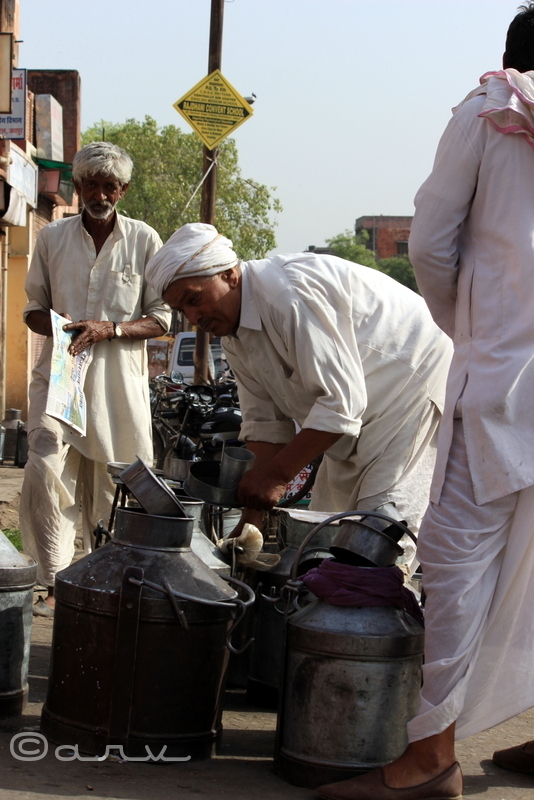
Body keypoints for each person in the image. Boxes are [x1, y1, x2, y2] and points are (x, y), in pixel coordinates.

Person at [315, 6, 534, 800]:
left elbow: (432, 242)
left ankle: (428, 760)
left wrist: (466, 330)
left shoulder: (490, 111)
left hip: (501, 384)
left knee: (457, 565)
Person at [145, 222, 452, 567]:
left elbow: (341, 405)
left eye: (194, 299)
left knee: (376, 538)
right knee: (323, 536)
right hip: (354, 418)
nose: (194, 316)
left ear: (230, 274)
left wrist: (276, 478)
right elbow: (266, 428)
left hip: (410, 385)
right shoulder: (234, 339)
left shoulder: (286, 296)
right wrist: (250, 524)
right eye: (182, 310)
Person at [21, 141, 171, 616]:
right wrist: (65, 326)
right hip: (61, 378)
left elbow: (163, 319)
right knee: (45, 468)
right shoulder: (52, 238)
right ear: (78, 186)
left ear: (122, 191)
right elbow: (31, 311)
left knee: (116, 483)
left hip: (118, 384)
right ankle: (53, 579)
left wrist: (111, 328)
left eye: (110, 186)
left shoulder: (145, 239)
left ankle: (105, 580)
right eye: (91, 184)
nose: (100, 194)